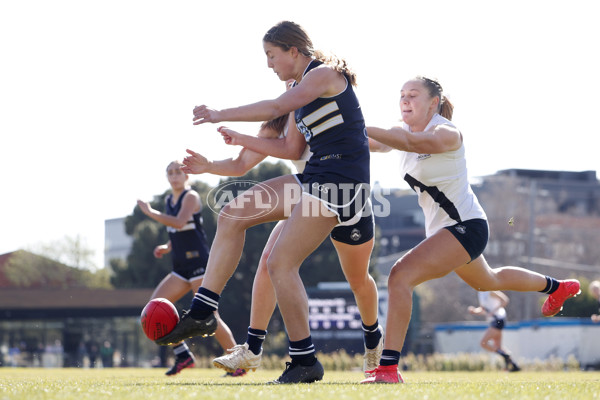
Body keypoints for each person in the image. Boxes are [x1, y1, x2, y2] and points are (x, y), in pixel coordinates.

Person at [155, 20, 372, 384]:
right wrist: (217, 159)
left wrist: (220, 114)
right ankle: (205, 308)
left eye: (272, 55)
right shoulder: (296, 91)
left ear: (293, 50)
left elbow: (274, 105)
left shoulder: (323, 74)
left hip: (343, 183)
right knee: (232, 213)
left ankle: (305, 361)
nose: (269, 64)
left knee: (280, 263)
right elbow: (289, 148)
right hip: (316, 177)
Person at [360, 76, 581, 384]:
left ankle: (387, 369)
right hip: (448, 233)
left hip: (466, 226)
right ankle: (557, 287)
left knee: (400, 276)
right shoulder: (401, 132)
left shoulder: (446, 132)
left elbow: (411, 142)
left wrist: (354, 123)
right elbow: (372, 141)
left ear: (433, 103)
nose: (405, 101)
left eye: (413, 95)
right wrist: (330, 130)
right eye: (401, 96)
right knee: (489, 280)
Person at [181, 112, 382, 378]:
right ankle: (253, 349)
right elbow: (240, 163)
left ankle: (373, 338)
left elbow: (376, 140)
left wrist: (395, 138)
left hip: (345, 198)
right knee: (270, 261)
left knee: (358, 281)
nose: (290, 83)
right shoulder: (279, 119)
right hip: (308, 193)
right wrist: (208, 165)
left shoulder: (330, 105)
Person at [137, 160, 244, 377]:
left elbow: (179, 221)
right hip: (180, 267)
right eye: (170, 173)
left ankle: (238, 362)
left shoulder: (191, 196)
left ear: (186, 176)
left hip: (198, 265)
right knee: (154, 307)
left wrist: (150, 212)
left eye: (178, 172)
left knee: (210, 316)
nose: (174, 176)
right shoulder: (169, 199)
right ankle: (183, 354)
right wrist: (167, 247)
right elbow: (178, 230)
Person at [468, 291, 520, 372]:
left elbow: (505, 300)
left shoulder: (490, 291)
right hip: (493, 321)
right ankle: (514, 366)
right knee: (498, 347)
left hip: (498, 319)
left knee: (483, 343)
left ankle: (505, 356)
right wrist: (474, 311)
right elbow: (483, 309)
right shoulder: (480, 293)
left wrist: (494, 311)